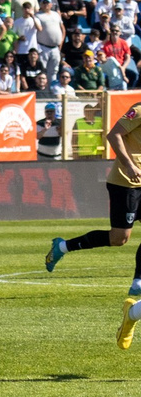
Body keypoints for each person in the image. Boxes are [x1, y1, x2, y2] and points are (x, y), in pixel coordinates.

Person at [48, 96, 141, 347]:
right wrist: (130, 165)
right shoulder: (139, 111)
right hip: (126, 183)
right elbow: (113, 136)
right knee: (119, 238)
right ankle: (62, 247)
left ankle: (137, 284)